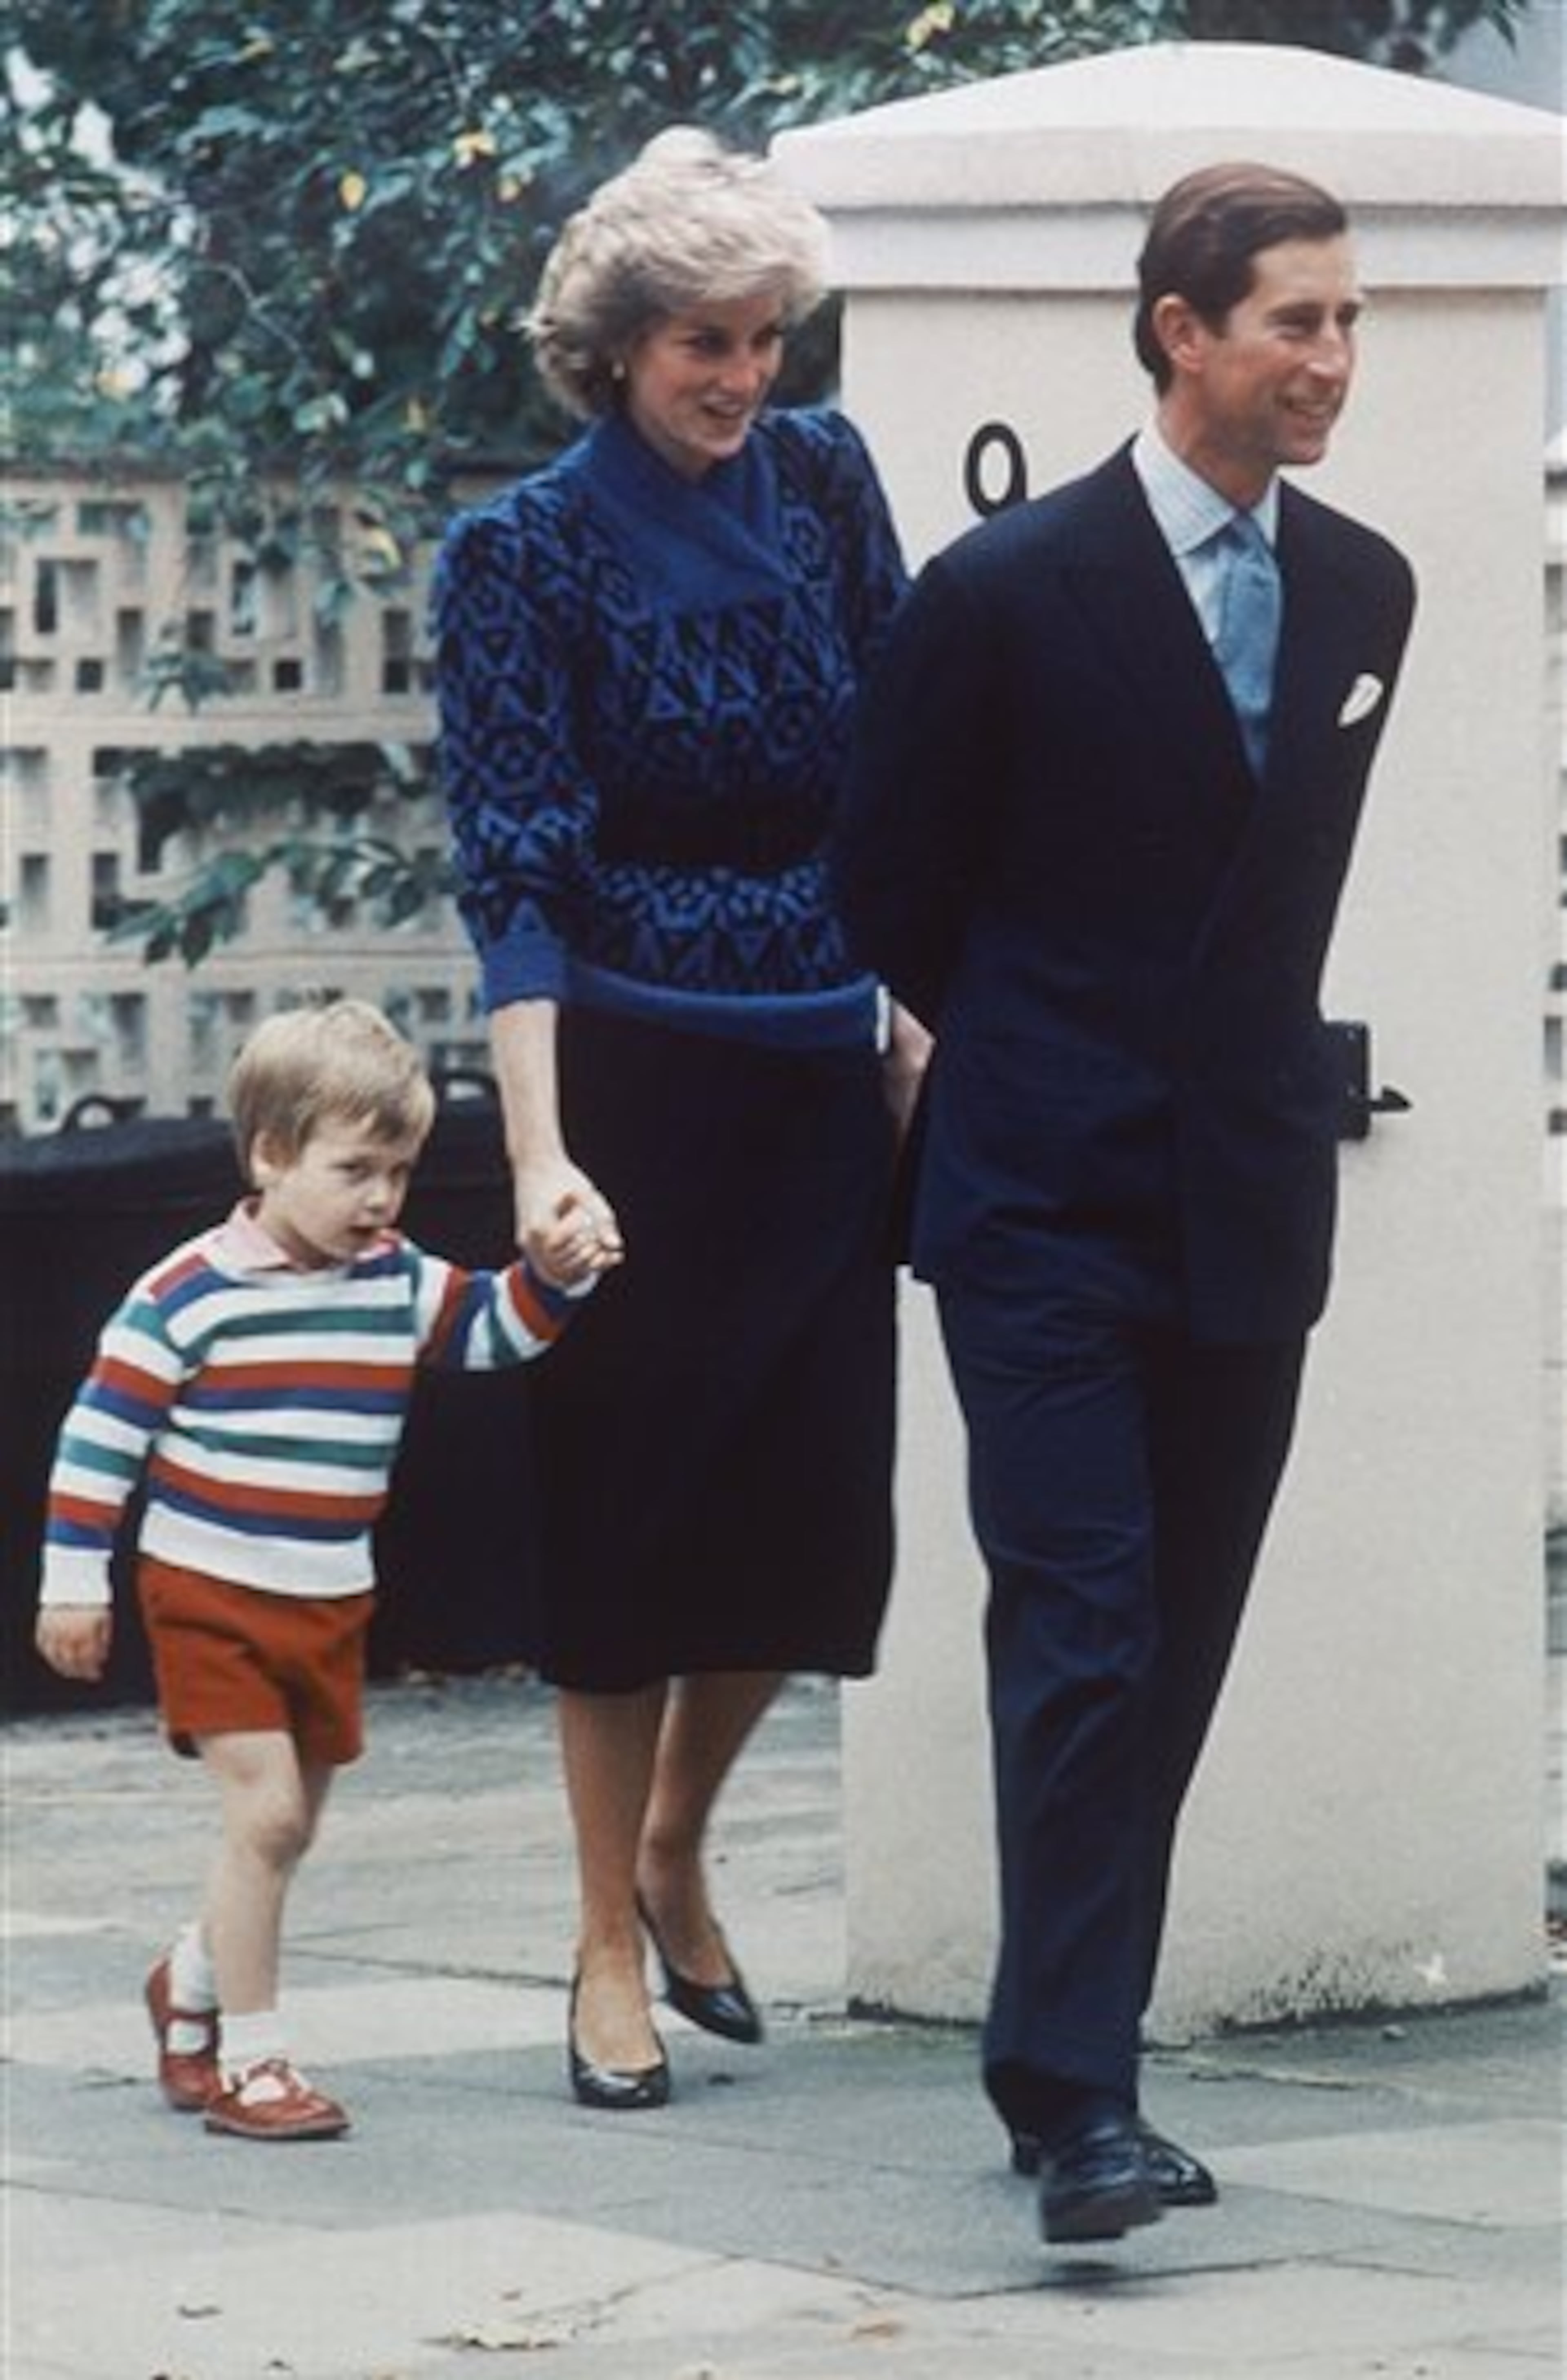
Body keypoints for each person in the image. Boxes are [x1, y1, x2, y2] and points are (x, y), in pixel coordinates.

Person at [834, 163, 1416, 2246]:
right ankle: (1079, 2098)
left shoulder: (1367, 591)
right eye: (1298, 323)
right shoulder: (1001, 591)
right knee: (1080, 1627)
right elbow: (886, 885)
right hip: (1037, 1201)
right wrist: (1045, 1054)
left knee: (1165, 1655)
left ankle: (1068, 2046)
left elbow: (1276, 896)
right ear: (1182, 329)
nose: (1334, 360)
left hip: (1250, 1197)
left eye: (1351, 322)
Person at [434, 127, 920, 2113]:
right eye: (707, 342)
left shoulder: (825, 480)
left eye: (769, 338)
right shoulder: (519, 554)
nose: (746, 378)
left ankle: (680, 1839)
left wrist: (916, 1008)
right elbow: (518, 872)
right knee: (630, 1515)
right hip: (628, 1077)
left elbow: (901, 754)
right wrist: (543, 1156)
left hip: (820, 1064)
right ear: (616, 348)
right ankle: (606, 1939)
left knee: (812, 1520)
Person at [34, 998, 611, 2142]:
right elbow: (100, 1438)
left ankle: (191, 1982)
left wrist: (557, 1271)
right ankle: (255, 2060)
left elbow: (495, 1331)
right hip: (209, 1588)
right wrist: (73, 1580)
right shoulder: (187, 1291)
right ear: (270, 1154)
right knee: (269, 1812)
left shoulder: (393, 1279)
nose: (383, 1199)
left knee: (288, 1829)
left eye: (397, 1170)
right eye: (357, 1170)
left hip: (329, 1592)